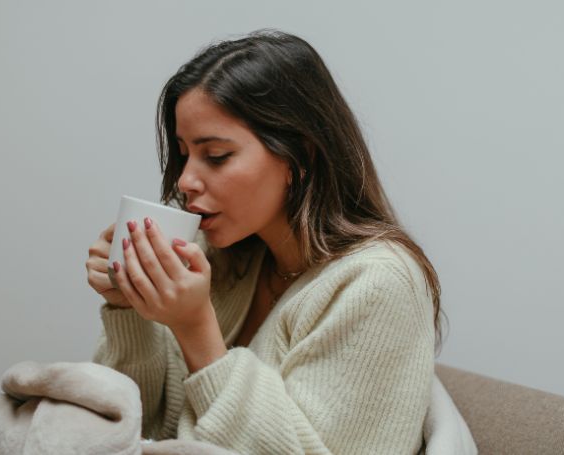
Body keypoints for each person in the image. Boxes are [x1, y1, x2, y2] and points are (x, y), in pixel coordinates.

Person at [85, 28, 445, 454]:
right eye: (183, 154)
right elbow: (130, 427)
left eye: (216, 156)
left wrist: (196, 329)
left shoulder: (380, 285)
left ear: (299, 156)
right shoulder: (218, 258)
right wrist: (130, 309)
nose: (184, 181)